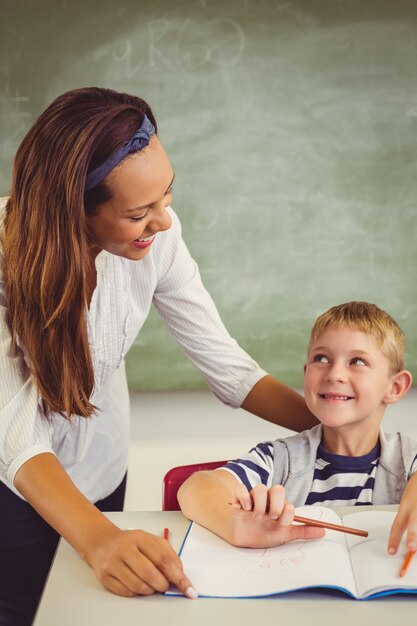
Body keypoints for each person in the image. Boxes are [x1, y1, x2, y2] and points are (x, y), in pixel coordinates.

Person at [0, 87, 318, 626]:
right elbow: (15, 435)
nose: (164, 222)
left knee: (92, 613)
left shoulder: (154, 240)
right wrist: (100, 541)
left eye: (167, 196)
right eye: (140, 212)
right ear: (74, 210)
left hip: (102, 468)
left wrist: (339, 427)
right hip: (13, 490)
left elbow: (228, 367)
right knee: (24, 610)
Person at [178, 301, 417, 557]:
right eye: (321, 358)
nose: (334, 374)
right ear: (306, 373)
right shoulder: (278, 458)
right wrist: (233, 523)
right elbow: (194, 489)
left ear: (395, 387)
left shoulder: (407, 457)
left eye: (357, 361)